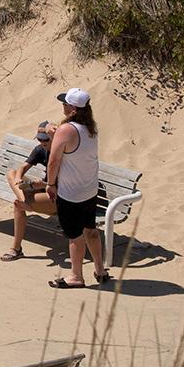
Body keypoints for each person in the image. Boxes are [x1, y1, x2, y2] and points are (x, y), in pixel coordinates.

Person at [48, 88, 111, 288]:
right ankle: (100, 270)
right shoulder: (91, 129)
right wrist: (55, 130)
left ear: (73, 109)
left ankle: (76, 276)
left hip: (71, 193)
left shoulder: (66, 130)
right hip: (89, 191)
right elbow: (72, 140)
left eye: (65, 104)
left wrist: (50, 184)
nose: (63, 107)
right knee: (90, 230)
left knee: (75, 235)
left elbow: (54, 161)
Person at [1, 121, 58, 261]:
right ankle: (24, 200)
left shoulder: (62, 155)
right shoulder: (40, 150)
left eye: (46, 139)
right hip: (44, 189)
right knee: (12, 173)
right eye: (40, 139)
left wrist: (42, 185)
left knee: (18, 206)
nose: (43, 142)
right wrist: (19, 179)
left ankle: (16, 249)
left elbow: (63, 187)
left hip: (60, 197)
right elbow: (23, 167)